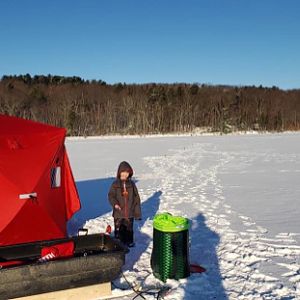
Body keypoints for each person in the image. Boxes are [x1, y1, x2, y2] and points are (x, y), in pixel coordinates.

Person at [108, 161, 141, 247]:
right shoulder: (115, 184)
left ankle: (129, 241)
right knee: (118, 229)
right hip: (118, 213)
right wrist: (115, 204)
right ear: (119, 172)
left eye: (127, 172)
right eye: (123, 172)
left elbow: (136, 198)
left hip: (129, 213)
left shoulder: (132, 184)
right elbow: (111, 196)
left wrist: (137, 213)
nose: (125, 174)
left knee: (129, 229)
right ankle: (118, 243)